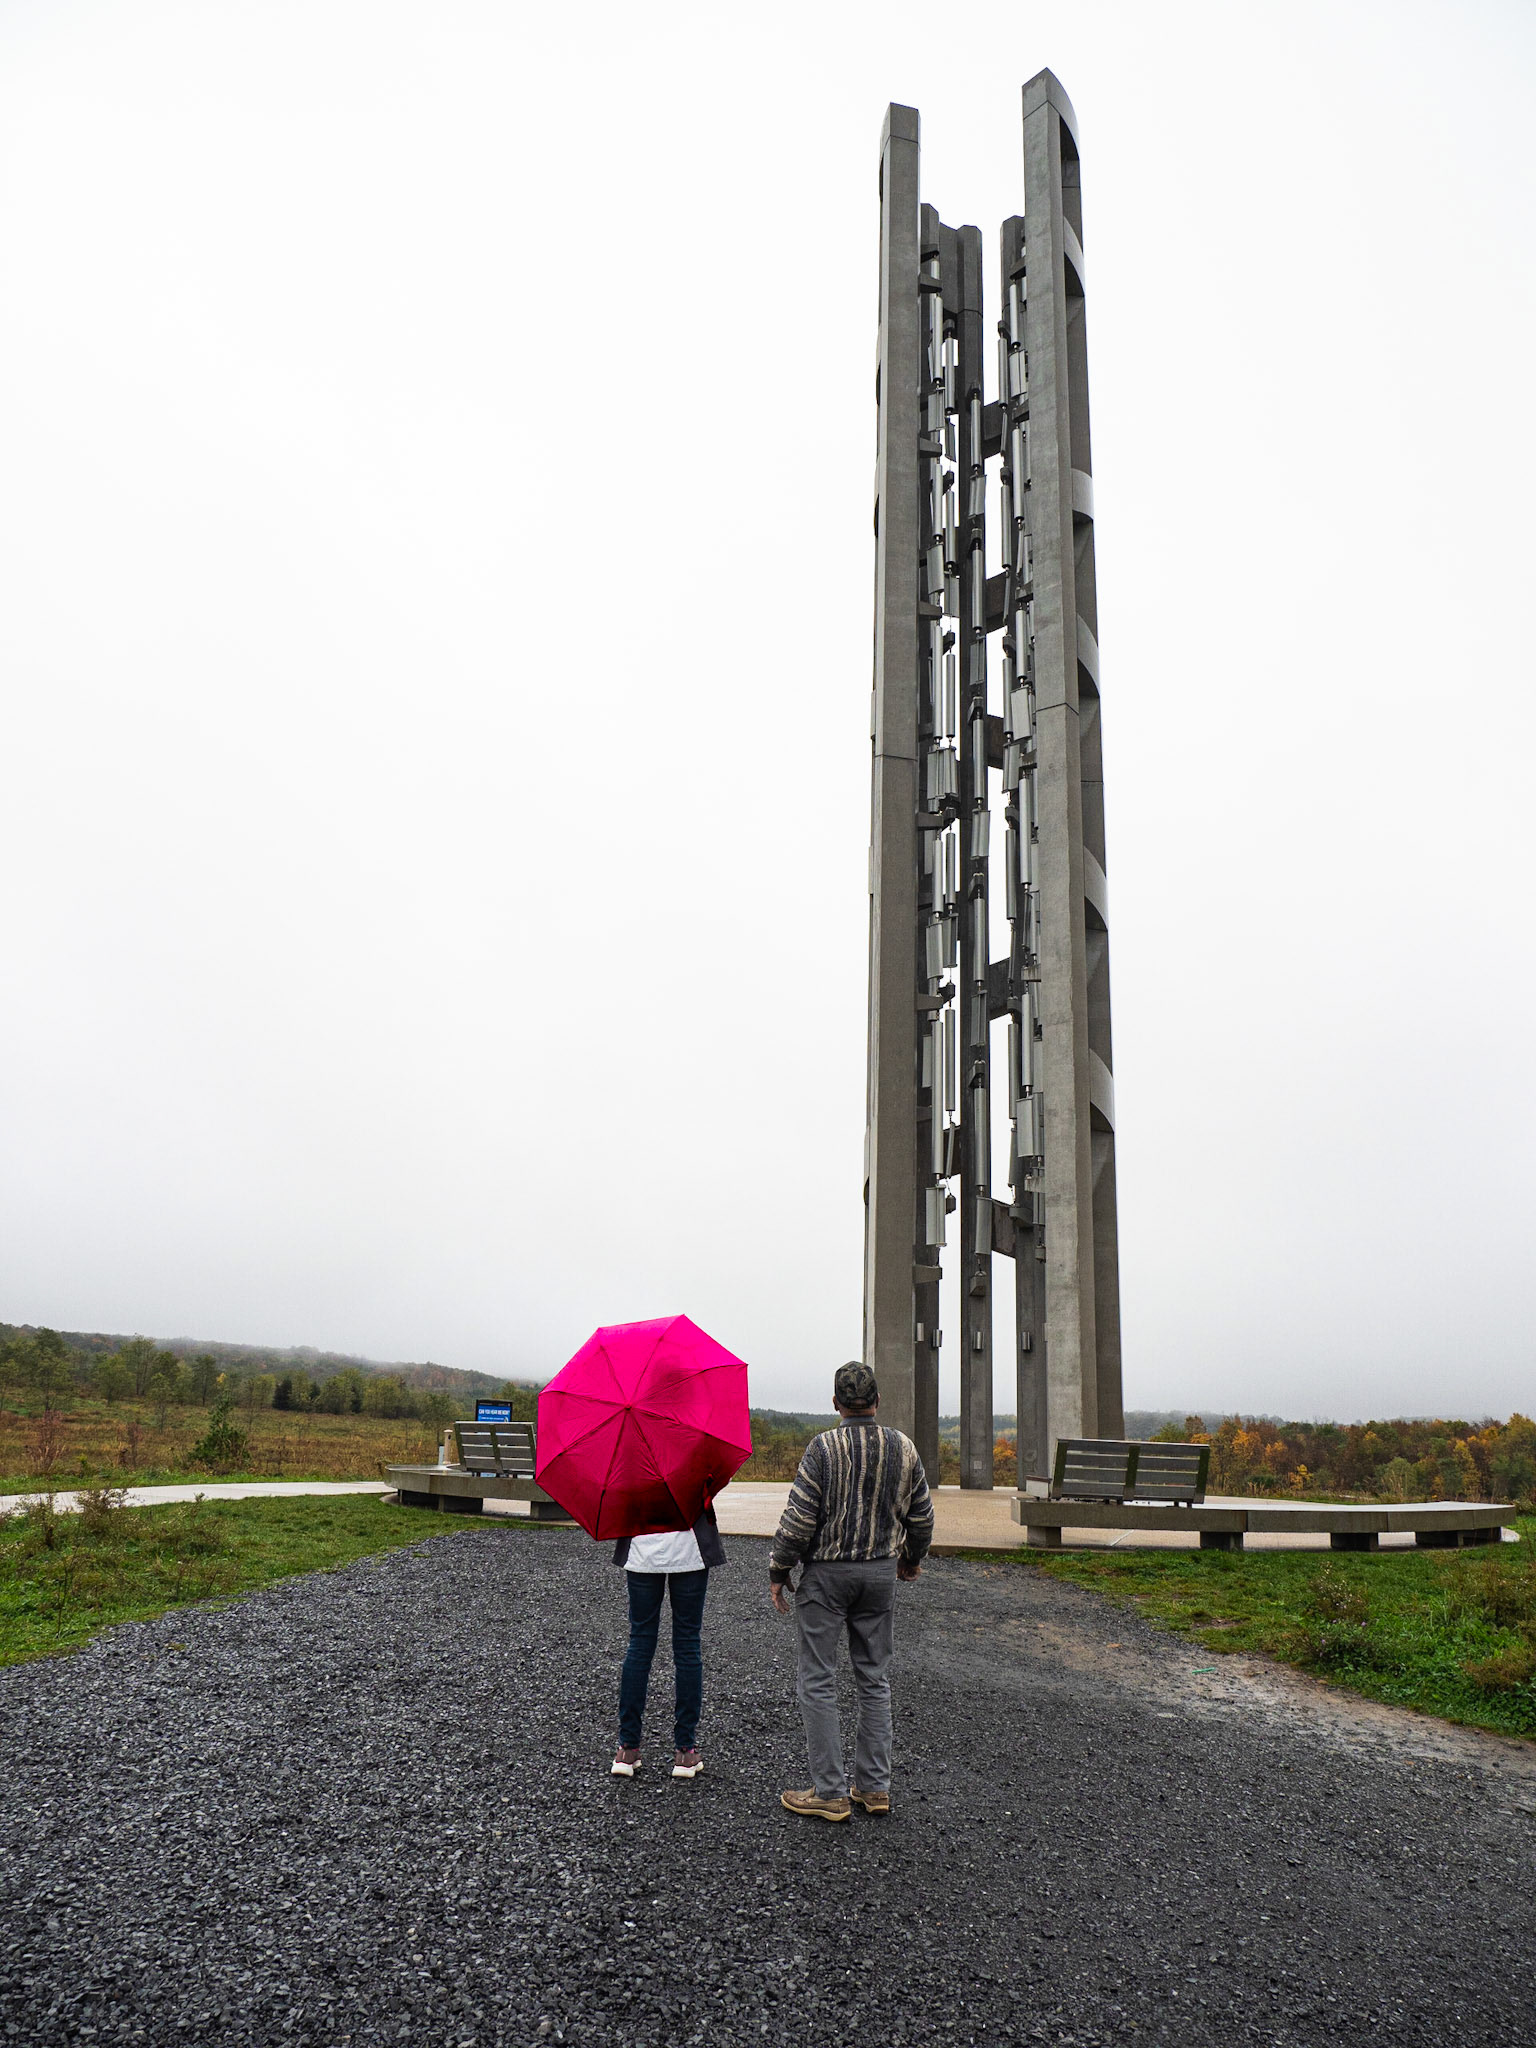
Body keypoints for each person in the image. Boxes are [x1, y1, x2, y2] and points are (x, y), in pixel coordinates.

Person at [769, 1361, 934, 1821]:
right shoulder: (903, 1447)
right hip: (880, 1573)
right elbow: (922, 1516)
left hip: (826, 1575)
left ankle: (830, 1792)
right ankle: (874, 1788)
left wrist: (779, 1569)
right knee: (874, 1678)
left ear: (836, 1404)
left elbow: (799, 1519)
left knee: (818, 1678)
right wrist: (911, 1558)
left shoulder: (822, 1448)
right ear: (877, 1402)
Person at [610, 1500, 726, 1780]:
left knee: (639, 1643)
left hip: (641, 1547)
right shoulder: (696, 1453)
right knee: (687, 1645)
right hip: (690, 1547)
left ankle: (627, 1749)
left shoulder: (630, 1454)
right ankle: (685, 1751)